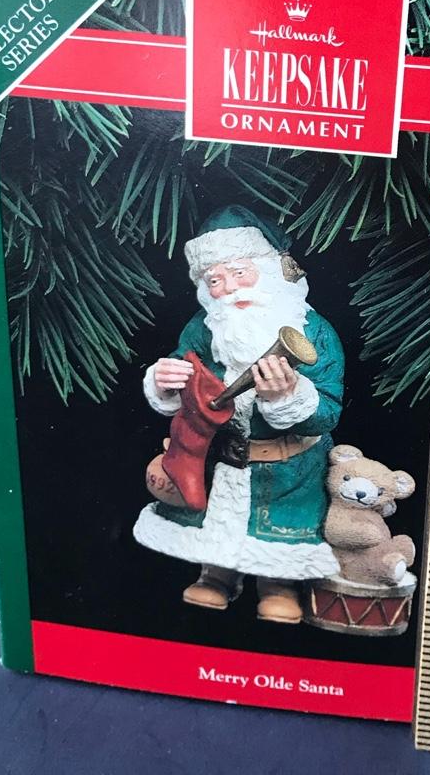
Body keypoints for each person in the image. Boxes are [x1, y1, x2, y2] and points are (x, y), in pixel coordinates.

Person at [133, 205, 344, 624]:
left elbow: (327, 413)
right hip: (220, 458)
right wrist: (165, 381)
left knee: (277, 538)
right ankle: (216, 574)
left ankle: (277, 584)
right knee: (216, 523)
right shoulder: (205, 328)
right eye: (215, 279)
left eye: (240, 273)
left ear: (270, 270)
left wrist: (290, 397)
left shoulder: (315, 331)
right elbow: (186, 365)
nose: (229, 288)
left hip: (287, 470)